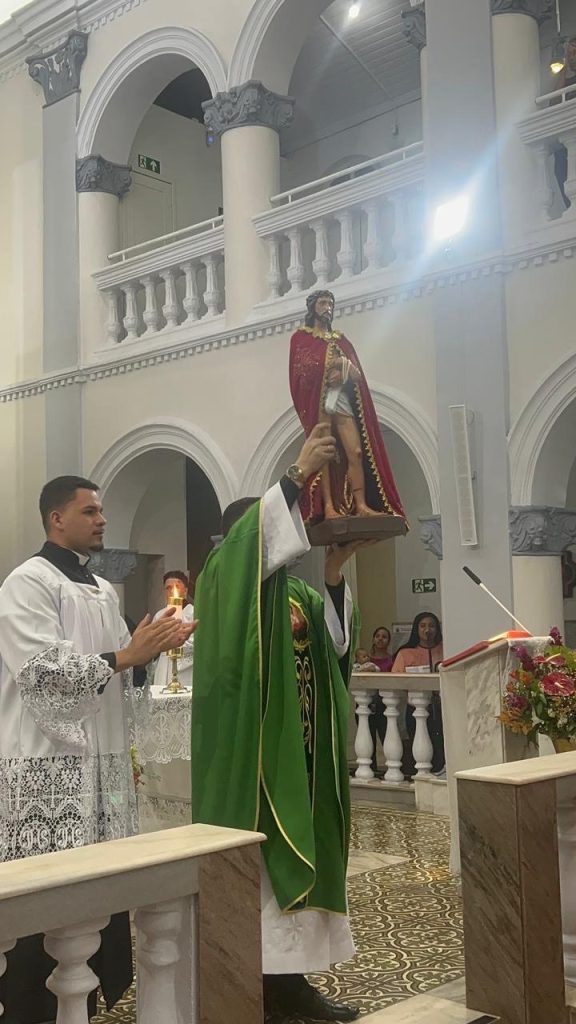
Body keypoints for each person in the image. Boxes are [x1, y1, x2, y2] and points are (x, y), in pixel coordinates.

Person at [0, 475, 195, 1024]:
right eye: (89, 511)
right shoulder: (26, 584)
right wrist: (128, 655)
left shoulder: (102, 590)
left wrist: (154, 643)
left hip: (101, 765)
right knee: (47, 897)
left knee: (94, 896)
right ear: (55, 519)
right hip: (46, 768)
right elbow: (40, 672)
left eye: (102, 511)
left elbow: (120, 668)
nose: (101, 520)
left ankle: (79, 1005)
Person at [192, 423, 362, 1023]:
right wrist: (295, 475)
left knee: (306, 871)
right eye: (278, 524)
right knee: (262, 878)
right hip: (256, 758)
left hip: (304, 760)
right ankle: (255, 991)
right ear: (248, 539)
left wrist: (335, 577)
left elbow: (337, 653)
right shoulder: (221, 583)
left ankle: (294, 989)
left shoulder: (299, 596)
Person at [289, 291, 406, 525]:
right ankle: (329, 506)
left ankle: (361, 504)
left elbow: (356, 374)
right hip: (318, 402)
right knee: (324, 453)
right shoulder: (301, 339)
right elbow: (301, 373)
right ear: (313, 308)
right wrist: (327, 370)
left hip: (340, 400)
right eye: (323, 303)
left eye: (331, 303)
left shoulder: (341, 341)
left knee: (356, 451)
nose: (328, 307)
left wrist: (343, 365)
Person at [391, 612, 444, 776]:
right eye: (423, 626)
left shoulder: (445, 649)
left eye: (431, 626)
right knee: (419, 742)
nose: (427, 630)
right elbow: (396, 679)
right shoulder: (406, 653)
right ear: (416, 629)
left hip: (441, 707)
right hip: (416, 707)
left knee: (441, 743)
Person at [153, 570, 195, 689]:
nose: (172, 591)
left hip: (186, 668)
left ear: (185, 591)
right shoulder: (160, 615)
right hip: (164, 665)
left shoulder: (194, 613)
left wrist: (173, 641)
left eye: (177, 587)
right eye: (168, 588)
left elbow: (196, 641)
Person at [366, 626, 394, 773]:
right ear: (373, 639)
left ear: (388, 641)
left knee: (386, 735)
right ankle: (370, 768)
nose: (380, 639)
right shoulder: (365, 660)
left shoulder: (391, 660)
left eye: (384, 637)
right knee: (367, 736)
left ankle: (391, 767)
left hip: (384, 704)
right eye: (377, 636)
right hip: (367, 703)